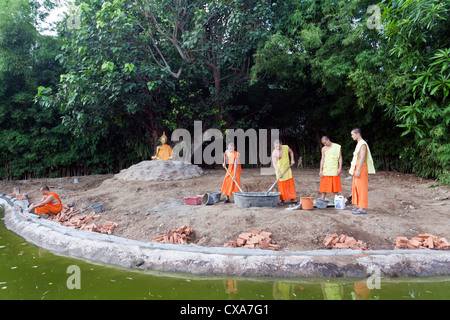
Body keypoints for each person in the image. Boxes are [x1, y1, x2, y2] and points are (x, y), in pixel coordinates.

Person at [349, 128, 376, 214]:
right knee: (356, 187)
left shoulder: (363, 144)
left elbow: (362, 157)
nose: (352, 136)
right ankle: (359, 206)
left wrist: (358, 169)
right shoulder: (359, 143)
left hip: (361, 167)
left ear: (358, 134)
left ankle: (363, 208)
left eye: (353, 134)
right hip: (357, 166)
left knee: (361, 188)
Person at [271, 140, 296, 205]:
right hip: (280, 171)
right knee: (282, 186)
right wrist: (279, 172)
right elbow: (274, 164)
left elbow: (291, 152)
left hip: (287, 169)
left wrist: (292, 159)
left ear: (281, 144)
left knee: (290, 184)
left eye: (279, 146)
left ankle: (292, 199)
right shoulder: (274, 153)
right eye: (276, 146)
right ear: (274, 146)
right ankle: (282, 200)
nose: (278, 148)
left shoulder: (286, 147)